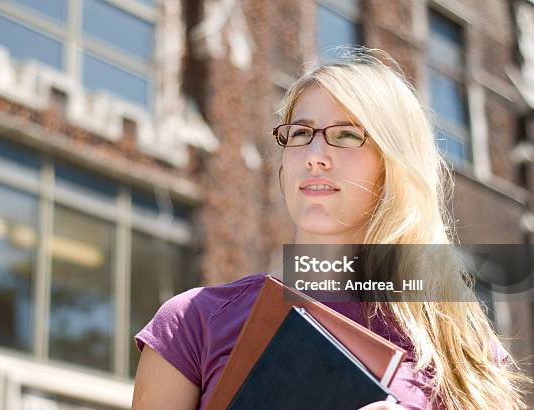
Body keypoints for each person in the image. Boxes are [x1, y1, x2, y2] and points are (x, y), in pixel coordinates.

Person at [131, 48, 529, 410]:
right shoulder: (193, 322)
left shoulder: (462, 343)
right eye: (300, 134)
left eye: (345, 135)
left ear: (393, 162)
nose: (315, 156)